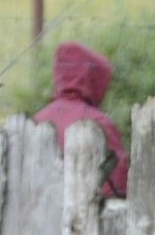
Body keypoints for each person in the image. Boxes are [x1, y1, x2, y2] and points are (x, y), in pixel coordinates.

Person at [33, 40, 129, 198]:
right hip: (87, 216)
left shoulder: (37, 120)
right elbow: (118, 186)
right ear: (95, 79)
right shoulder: (101, 124)